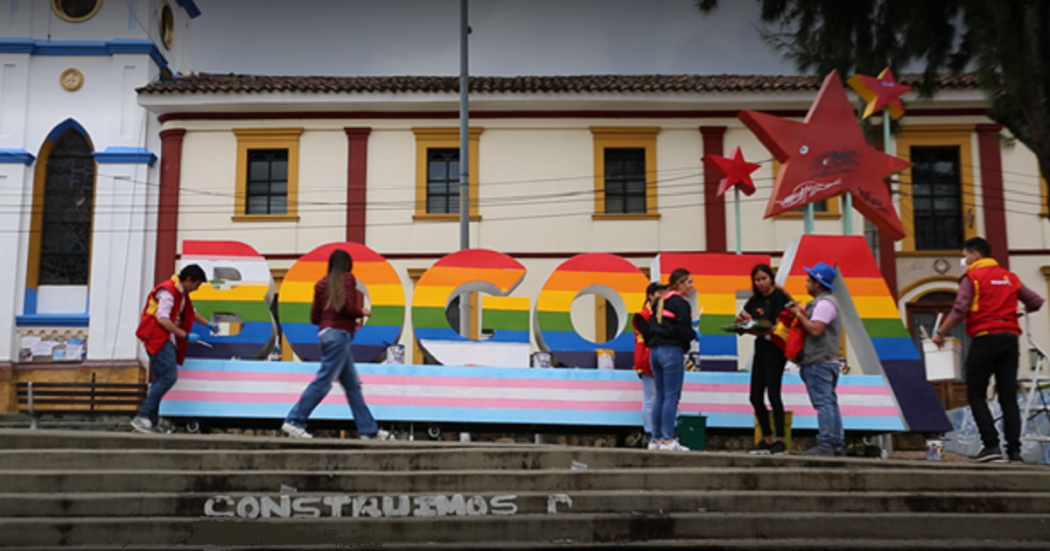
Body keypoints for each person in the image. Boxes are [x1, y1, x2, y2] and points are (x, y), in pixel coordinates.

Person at [933, 237, 1044, 463]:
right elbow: (1036, 302)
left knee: (976, 393)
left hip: (985, 338)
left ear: (976, 255)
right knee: (1008, 396)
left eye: (965, 256)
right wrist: (1019, 311)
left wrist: (940, 334)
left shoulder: (972, 277)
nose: (964, 260)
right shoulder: (1010, 277)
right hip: (1010, 339)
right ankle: (1014, 451)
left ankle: (991, 444)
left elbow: (961, 307)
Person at [282, 249, 392, 440]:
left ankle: (369, 430)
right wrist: (362, 312)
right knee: (324, 381)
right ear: (347, 265)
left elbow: (314, 316)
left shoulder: (321, 284)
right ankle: (294, 420)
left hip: (326, 335)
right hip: (339, 336)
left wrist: (330, 316)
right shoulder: (348, 279)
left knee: (352, 386)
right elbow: (347, 307)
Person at [132, 264, 216, 434]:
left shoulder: (180, 293)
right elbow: (163, 320)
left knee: (159, 380)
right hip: (157, 338)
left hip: (163, 339)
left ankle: (150, 422)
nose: (196, 289)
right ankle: (143, 416)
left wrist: (208, 324)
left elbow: (190, 313)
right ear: (188, 280)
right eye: (196, 285)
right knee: (169, 376)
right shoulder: (168, 292)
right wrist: (185, 335)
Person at [788, 262, 844, 456]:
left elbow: (815, 329)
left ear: (817, 283)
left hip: (818, 361)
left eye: (808, 280)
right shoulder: (827, 303)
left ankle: (826, 444)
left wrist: (799, 315)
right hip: (826, 361)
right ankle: (836, 443)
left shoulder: (824, 304)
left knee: (824, 403)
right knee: (829, 401)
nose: (806, 284)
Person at [737, 263, 792, 455]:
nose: (761, 283)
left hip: (776, 348)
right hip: (760, 346)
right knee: (755, 395)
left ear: (771, 278)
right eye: (757, 280)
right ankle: (766, 438)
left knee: (774, 394)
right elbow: (749, 322)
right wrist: (744, 323)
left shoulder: (780, 297)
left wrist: (765, 327)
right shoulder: (755, 300)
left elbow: (783, 324)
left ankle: (780, 439)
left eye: (764, 279)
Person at [648, 268, 697, 451]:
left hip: (655, 352)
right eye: (689, 282)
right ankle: (668, 439)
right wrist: (693, 334)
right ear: (680, 284)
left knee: (659, 396)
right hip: (672, 351)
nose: (692, 286)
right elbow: (683, 331)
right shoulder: (681, 304)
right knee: (671, 397)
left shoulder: (659, 302)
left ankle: (656, 439)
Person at [632, 282, 667, 450]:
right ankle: (649, 433)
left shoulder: (658, 313)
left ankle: (661, 433)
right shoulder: (644, 315)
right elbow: (646, 339)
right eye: (660, 293)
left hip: (657, 357)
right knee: (650, 399)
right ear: (651, 296)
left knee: (662, 397)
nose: (663, 297)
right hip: (648, 358)